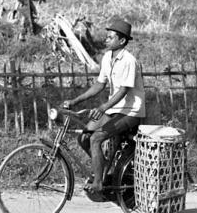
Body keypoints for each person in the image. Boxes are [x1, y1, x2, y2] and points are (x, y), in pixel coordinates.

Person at [62, 17, 145, 201]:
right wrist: (75, 101)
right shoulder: (107, 57)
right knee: (84, 137)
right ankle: (105, 170)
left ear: (122, 41)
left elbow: (124, 90)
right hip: (113, 110)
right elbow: (99, 85)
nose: (106, 40)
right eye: (106, 37)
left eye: (110, 37)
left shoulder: (129, 61)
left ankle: (98, 183)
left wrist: (103, 107)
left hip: (130, 112)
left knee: (96, 139)